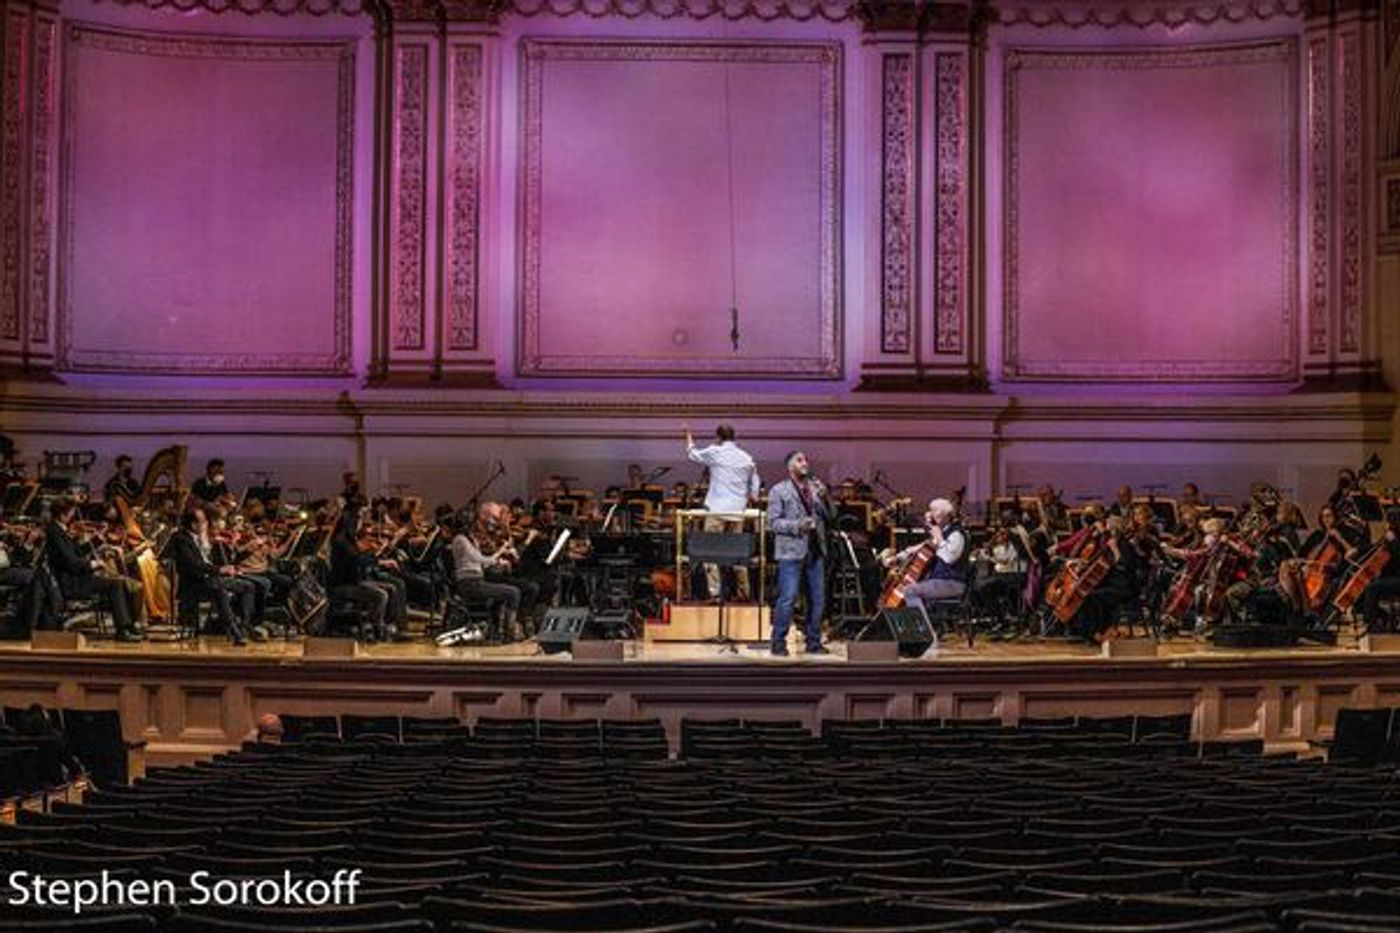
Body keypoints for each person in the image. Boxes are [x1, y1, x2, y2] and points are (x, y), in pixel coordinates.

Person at [44, 499, 141, 642]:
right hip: (71, 582)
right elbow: (70, 563)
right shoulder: (54, 532)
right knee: (115, 584)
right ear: (63, 514)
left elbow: (77, 552)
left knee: (121, 583)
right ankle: (123, 629)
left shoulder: (59, 530)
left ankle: (129, 625)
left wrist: (97, 539)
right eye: (71, 512)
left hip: (77, 578)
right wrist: (92, 564)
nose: (73, 516)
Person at [684, 423, 760, 600]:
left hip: (717, 510)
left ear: (718, 438)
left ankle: (715, 592)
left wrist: (688, 434)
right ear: (734, 437)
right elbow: (755, 479)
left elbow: (692, 454)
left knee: (709, 551)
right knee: (738, 553)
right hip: (737, 512)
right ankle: (743, 593)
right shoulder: (745, 457)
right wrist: (753, 494)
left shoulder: (715, 451)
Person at [767, 451, 829, 656]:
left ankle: (813, 642)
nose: (805, 463)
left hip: (815, 549)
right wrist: (797, 525)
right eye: (799, 460)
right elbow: (772, 523)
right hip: (790, 551)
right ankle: (778, 642)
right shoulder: (779, 490)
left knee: (817, 599)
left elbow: (830, 517)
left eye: (806, 460)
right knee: (788, 598)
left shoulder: (814, 488)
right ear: (789, 466)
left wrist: (825, 497)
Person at [168, 506, 258, 645]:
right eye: (203, 521)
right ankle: (234, 631)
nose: (205, 524)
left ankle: (244, 628)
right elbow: (194, 565)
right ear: (193, 524)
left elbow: (208, 561)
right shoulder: (181, 539)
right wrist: (220, 570)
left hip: (211, 579)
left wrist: (227, 567)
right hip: (194, 584)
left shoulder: (199, 538)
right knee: (219, 590)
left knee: (248, 586)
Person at [885, 498, 969, 627]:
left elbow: (949, 558)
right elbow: (917, 549)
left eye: (935, 511)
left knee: (910, 591)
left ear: (946, 515)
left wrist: (939, 537)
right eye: (931, 511)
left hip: (952, 582)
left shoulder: (956, 535)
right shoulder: (941, 533)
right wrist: (896, 558)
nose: (930, 515)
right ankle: (908, 629)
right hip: (938, 581)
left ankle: (924, 631)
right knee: (905, 587)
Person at [449, 509, 525, 642]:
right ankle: (509, 633)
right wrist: (500, 552)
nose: (476, 526)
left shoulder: (469, 539)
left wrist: (499, 562)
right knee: (514, 592)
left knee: (502, 595)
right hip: (470, 584)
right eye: (474, 523)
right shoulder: (460, 539)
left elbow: (480, 564)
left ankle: (496, 630)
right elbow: (479, 559)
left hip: (477, 581)